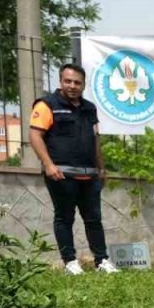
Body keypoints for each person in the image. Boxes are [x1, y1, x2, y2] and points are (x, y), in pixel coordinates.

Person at [27, 63, 117, 275]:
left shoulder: (89, 108)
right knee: (64, 218)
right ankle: (70, 262)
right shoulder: (46, 105)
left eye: (77, 82)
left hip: (89, 175)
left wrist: (101, 168)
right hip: (61, 174)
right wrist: (48, 165)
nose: (73, 86)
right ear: (61, 81)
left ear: (84, 84)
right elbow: (35, 135)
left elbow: (95, 139)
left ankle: (101, 261)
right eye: (68, 81)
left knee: (94, 219)